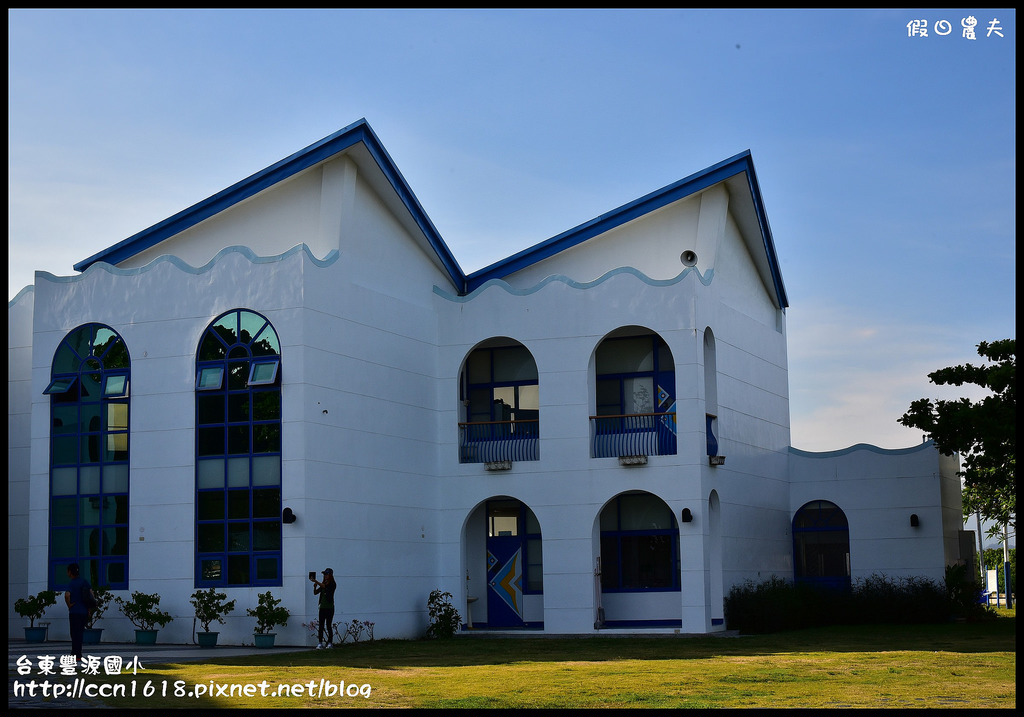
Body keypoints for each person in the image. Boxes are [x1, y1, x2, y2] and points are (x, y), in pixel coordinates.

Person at [64, 563, 94, 660]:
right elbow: (91, 595)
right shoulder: (84, 582)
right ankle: (78, 654)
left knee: (74, 633)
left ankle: (74, 653)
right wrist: (89, 609)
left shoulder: (71, 583)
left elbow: (67, 595)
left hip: (74, 612)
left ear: (70, 572)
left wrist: (69, 605)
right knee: (80, 633)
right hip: (84, 611)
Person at [311, 568, 337, 648]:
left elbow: (325, 587)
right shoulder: (323, 583)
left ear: (330, 575)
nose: (325, 576)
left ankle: (330, 642)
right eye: (324, 574)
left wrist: (316, 581)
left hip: (329, 607)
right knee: (321, 625)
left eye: (326, 574)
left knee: (328, 625)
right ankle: (320, 643)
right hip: (322, 607)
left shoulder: (332, 584)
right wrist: (315, 587)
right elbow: (316, 593)